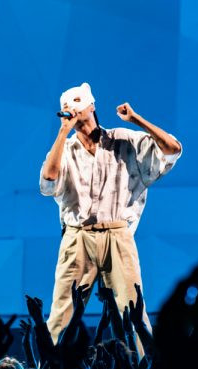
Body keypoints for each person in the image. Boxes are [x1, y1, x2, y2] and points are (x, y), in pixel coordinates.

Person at [39, 82, 182, 347]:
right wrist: (63, 132)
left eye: (77, 103)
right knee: (62, 314)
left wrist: (136, 119)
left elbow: (172, 149)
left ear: (92, 105)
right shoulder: (65, 150)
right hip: (78, 237)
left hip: (117, 234)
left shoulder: (123, 140)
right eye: (66, 106)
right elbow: (48, 180)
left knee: (132, 310)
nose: (72, 109)